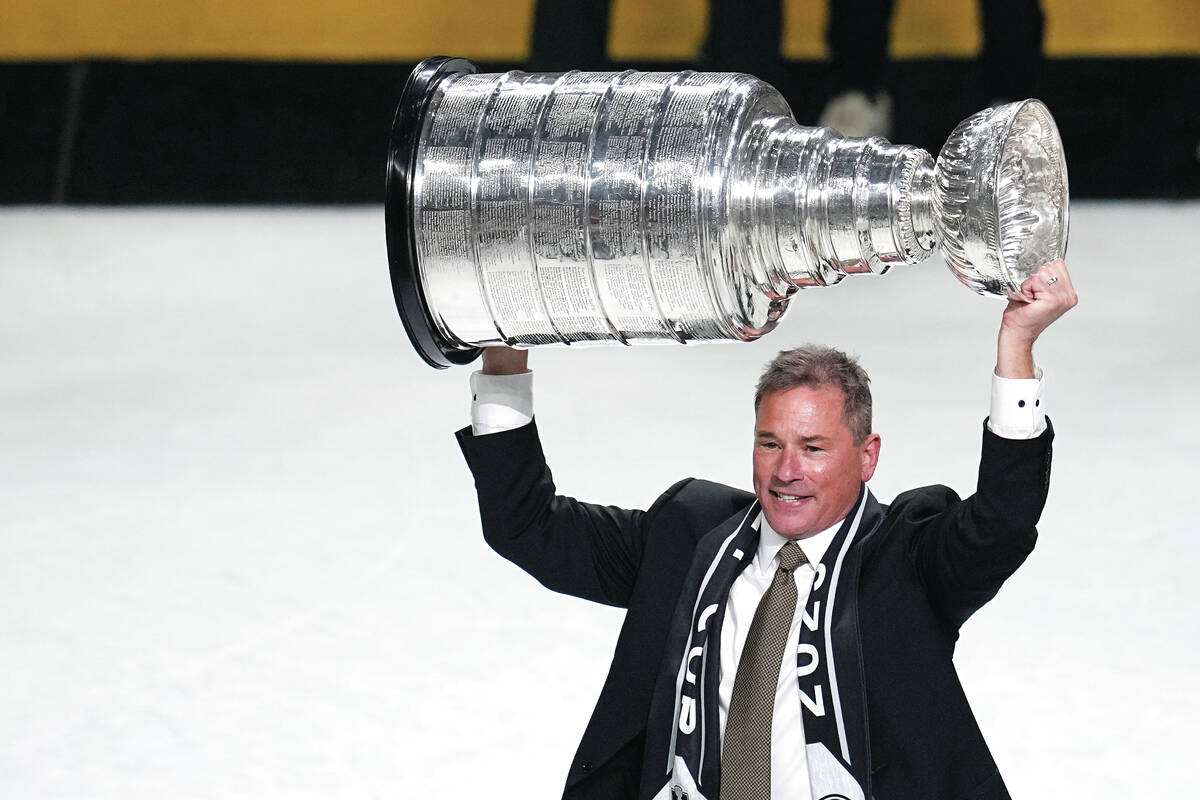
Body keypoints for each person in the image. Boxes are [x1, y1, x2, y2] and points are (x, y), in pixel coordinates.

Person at [455, 259, 1077, 799]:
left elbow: (1003, 519)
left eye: (812, 447)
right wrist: (505, 348)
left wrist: (1016, 347)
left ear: (867, 456)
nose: (786, 470)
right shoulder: (689, 533)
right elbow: (527, 527)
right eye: (769, 443)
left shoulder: (907, 561)